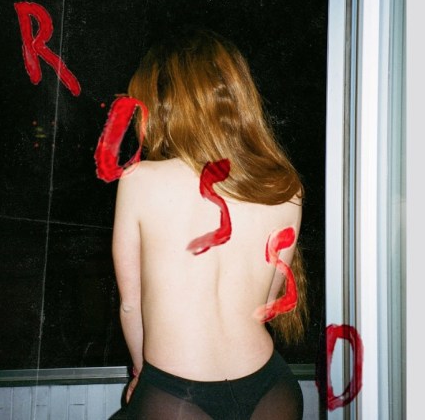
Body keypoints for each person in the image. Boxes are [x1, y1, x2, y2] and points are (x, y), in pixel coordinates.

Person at [112, 29, 308, 419]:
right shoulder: (286, 187)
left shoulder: (139, 180)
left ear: (164, 103)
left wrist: (140, 373)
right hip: (272, 389)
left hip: (176, 395)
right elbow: (267, 302)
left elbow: (131, 306)